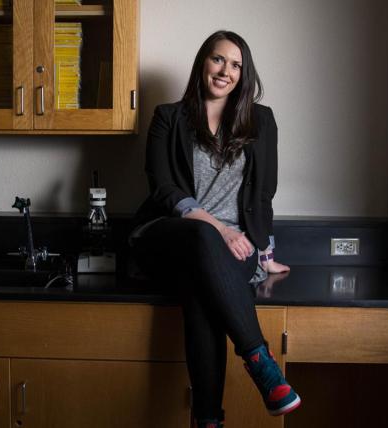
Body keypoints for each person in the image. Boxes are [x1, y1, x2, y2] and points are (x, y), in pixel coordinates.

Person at [130, 30, 300, 427]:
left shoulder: (261, 120)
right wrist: (221, 230)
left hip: (233, 250)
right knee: (204, 236)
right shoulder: (168, 117)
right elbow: (163, 187)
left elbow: (264, 194)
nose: (226, 70)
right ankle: (260, 361)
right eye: (218, 59)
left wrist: (266, 252)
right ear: (202, 63)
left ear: (244, 74)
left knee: (201, 289)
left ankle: (207, 420)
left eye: (236, 65)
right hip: (171, 233)